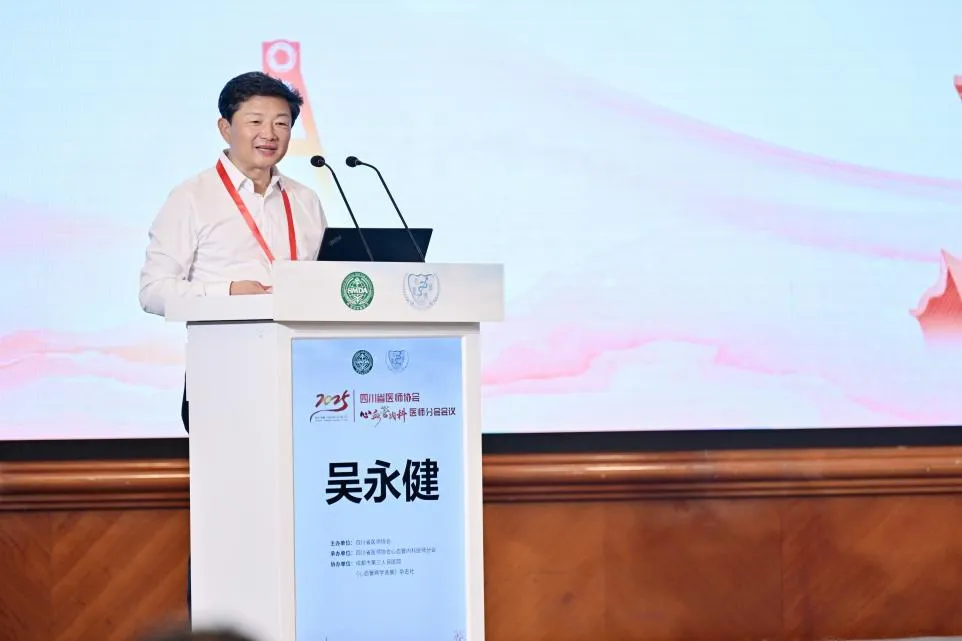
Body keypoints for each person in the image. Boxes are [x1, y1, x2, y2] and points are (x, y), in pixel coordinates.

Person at [138, 70, 327, 618]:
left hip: (305, 383)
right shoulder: (192, 198)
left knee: (294, 516)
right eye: (256, 121)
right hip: (224, 384)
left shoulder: (306, 201)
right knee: (230, 517)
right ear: (225, 127)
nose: (270, 134)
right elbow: (153, 290)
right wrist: (227, 292)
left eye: (282, 123)